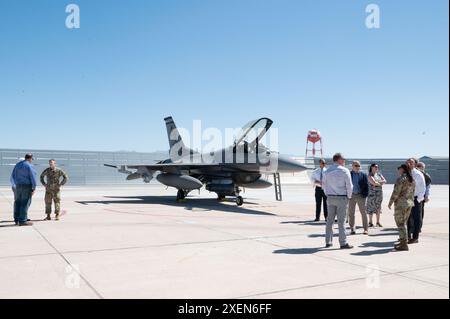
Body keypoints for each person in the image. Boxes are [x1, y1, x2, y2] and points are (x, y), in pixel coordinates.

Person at [322, 153, 353, 249]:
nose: (344, 161)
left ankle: (328, 242)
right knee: (341, 221)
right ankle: (343, 243)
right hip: (342, 198)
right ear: (338, 159)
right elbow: (349, 185)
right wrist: (349, 196)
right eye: (343, 159)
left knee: (329, 221)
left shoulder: (327, 171)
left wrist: (328, 194)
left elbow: (324, 185)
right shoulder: (344, 170)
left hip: (330, 198)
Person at [388, 164, 415, 251]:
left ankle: (404, 244)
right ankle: (403, 241)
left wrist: (390, 202)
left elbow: (396, 192)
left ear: (403, 169)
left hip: (401, 204)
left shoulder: (401, 179)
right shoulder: (412, 179)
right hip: (409, 203)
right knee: (404, 223)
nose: (398, 170)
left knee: (400, 223)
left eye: (399, 169)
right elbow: (413, 192)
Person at [10, 154, 37, 226]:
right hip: (26, 186)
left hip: (18, 186)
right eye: (32, 159)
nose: (31, 161)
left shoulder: (17, 165)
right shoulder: (29, 165)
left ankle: (16, 219)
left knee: (17, 202)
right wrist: (34, 187)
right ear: (30, 158)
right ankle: (22, 220)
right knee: (25, 203)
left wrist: (17, 184)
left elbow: (13, 175)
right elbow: (33, 177)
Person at [406, 158, 426, 244]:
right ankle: (408, 236)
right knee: (408, 218)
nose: (409, 164)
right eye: (408, 162)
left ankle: (415, 237)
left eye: (411, 162)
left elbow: (423, 187)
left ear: (415, 164)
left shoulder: (418, 174)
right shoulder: (406, 173)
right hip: (408, 198)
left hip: (416, 198)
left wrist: (418, 200)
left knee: (416, 218)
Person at [348, 161, 369, 235]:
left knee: (363, 213)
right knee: (351, 213)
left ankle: (365, 229)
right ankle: (352, 228)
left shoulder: (363, 174)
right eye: (356, 165)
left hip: (361, 196)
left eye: (359, 165)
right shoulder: (349, 174)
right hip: (351, 196)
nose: (358, 167)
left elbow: (367, 185)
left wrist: (365, 195)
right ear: (352, 166)